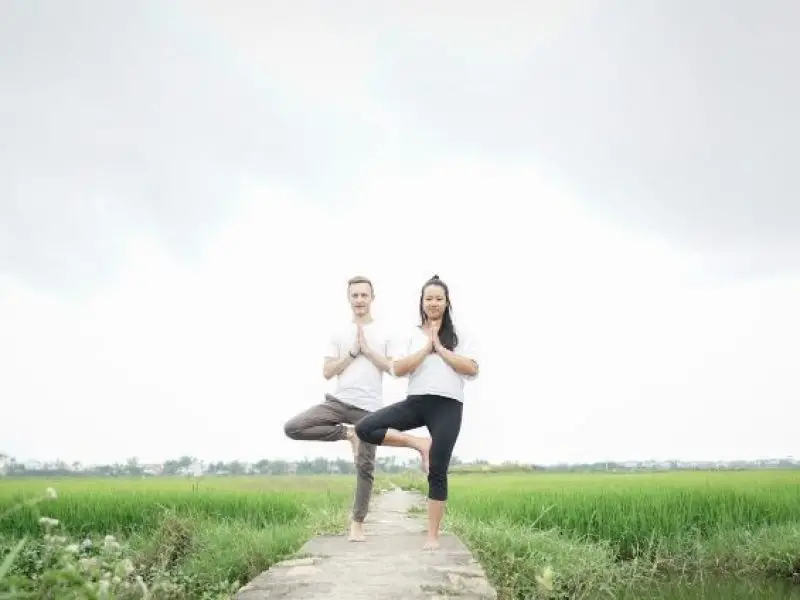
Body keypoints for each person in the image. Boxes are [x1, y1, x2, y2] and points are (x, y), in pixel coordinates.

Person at [355, 274, 479, 550]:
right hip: (416, 402)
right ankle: (419, 443)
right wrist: (426, 348)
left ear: (447, 303)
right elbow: (397, 369)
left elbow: (472, 369)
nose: (434, 303)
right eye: (429, 298)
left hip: (448, 406)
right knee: (365, 428)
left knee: (438, 469)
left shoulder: (461, 335)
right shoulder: (411, 334)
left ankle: (432, 537)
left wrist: (441, 349)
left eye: (439, 298)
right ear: (421, 303)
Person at [283, 275, 393, 542]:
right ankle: (347, 434)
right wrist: (353, 353)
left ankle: (357, 522)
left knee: (365, 465)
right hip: (338, 403)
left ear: (372, 298)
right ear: (349, 299)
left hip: (369, 409)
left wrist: (367, 350)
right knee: (294, 427)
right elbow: (327, 371)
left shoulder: (385, 332)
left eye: (364, 295)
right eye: (354, 295)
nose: (359, 300)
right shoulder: (338, 334)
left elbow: (392, 367)